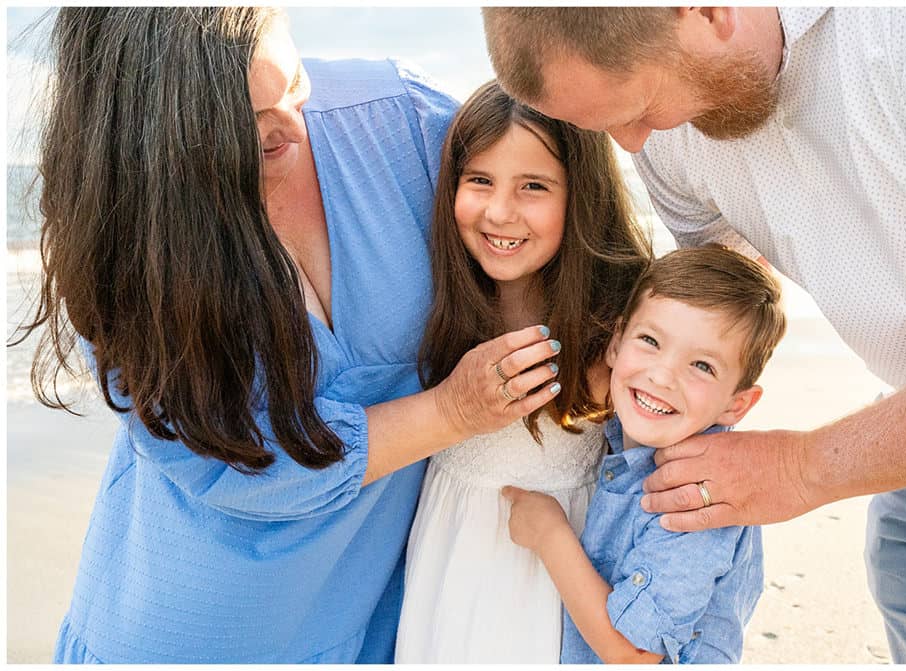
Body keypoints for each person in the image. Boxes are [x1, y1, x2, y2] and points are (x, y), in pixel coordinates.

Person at [15, 8, 564, 664]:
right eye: (249, 122)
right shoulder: (124, 243)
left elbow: (560, 241)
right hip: (187, 633)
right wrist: (452, 410)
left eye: (296, 81)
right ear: (156, 135)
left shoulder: (404, 121)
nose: (293, 126)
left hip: (386, 626)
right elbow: (248, 465)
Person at [481, 6, 906, 664]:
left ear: (708, 11)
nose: (633, 145)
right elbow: (722, 304)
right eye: (603, 124)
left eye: (637, 106)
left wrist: (797, 468)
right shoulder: (667, 137)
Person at [394, 80, 650, 663]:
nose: (500, 212)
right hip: (452, 548)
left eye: (533, 186)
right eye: (479, 180)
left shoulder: (619, 325)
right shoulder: (434, 305)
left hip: (569, 557)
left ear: (580, 195)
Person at [504, 247, 786, 664]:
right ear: (616, 343)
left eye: (702, 366)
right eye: (650, 341)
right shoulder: (624, 438)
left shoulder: (695, 496)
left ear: (736, 405)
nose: (661, 375)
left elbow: (633, 652)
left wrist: (549, 534)